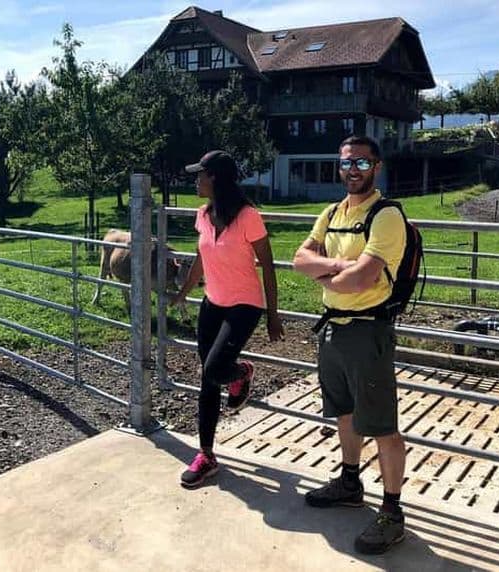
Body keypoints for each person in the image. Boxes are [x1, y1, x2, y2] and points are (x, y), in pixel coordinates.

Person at [292, 135, 407, 554]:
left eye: (361, 163)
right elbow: (299, 259)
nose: (351, 170)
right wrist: (341, 267)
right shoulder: (332, 212)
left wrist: (327, 273)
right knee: (343, 412)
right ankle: (350, 480)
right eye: (345, 163)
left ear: (376, 167)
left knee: (381, 424)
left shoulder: (386, 215)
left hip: (367, 331)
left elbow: (363, 280)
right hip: (334, 330)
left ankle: (392, 512)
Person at [172, 150, 284, 489]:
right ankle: (206, 455)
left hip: (244, 305)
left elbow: (268, 264)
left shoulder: (249, 216)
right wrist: (185, 292)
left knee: (215, 369)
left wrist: (272, 314)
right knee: (207, 379)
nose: (196, 181)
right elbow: (201, 258)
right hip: (213, 303)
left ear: (215, 178)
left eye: (200, 175)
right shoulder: (202, 215)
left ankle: (242, 372)